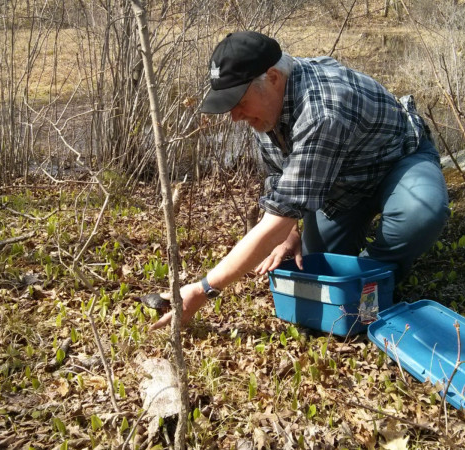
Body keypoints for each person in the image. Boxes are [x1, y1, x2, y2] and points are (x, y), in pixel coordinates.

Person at [150, 31, 449, 330]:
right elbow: (279, 178)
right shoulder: (268, 106)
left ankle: (376, 276)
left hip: (398, 159)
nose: (235, 117)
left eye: (238, 102)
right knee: (318, 263)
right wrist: (290, 231)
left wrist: (203, 290)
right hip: (343, 186)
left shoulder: (322, 110)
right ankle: (361, 272)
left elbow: (272, 224)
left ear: (272, 78)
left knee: (421, 213)